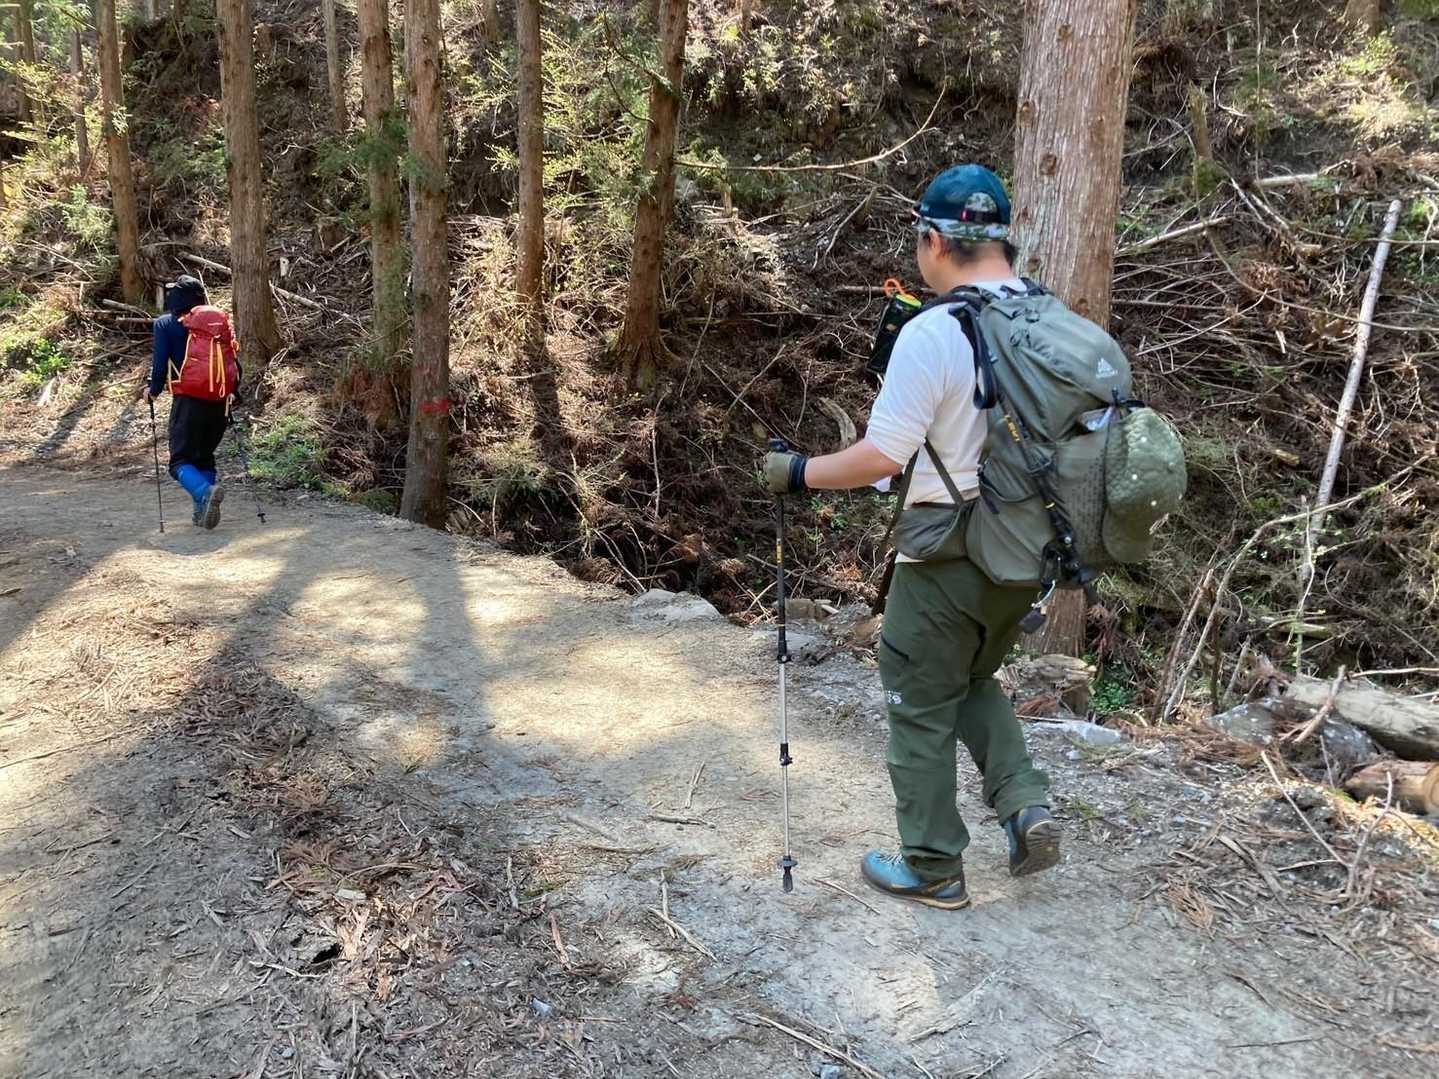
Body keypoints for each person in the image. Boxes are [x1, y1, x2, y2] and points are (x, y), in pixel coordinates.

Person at [763, 165, 1059, 911]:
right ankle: (1024, 803)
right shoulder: (1050, 319)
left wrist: (797, 472)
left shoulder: (933, 333)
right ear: (1004, 240)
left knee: (918, 698)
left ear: (933, 241)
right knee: (968, 679)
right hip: (1028, 552)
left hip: (948, 554)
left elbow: (883, 457)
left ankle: (931, 866)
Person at [140, 275, 240, 530]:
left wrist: (152, 391)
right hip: (219, 401)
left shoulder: (165, 324)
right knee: (204, 457)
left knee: (179, 461)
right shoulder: (217, 323)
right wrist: (233, 393)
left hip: (188, 401)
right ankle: (202, 511)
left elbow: (160, 365)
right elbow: (233, 361)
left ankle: (205, 492)